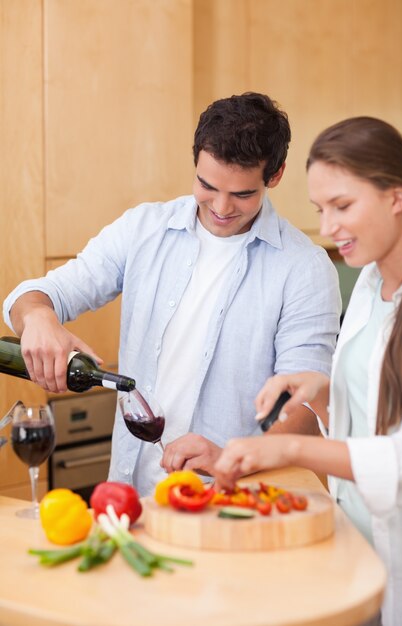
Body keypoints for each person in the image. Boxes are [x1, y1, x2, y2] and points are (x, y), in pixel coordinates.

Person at [3, 92, 341, 496]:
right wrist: (39, 318)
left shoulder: (305, 268)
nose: (220, 206)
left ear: (276, 174)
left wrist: (236, 457)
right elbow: (39, 294)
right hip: (131, 497)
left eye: (242, 194)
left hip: (233, 501)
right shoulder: (144, 229)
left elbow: (305, 403)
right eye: (207, 185)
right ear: (196, 159)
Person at [214, 116, 402, 626]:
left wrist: (286, 446)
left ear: (397, 196)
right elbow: (372, 421)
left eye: (343, 206)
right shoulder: (370, 285)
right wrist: (324, 395)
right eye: (320, 209)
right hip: (359, 559)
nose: (327, 228)